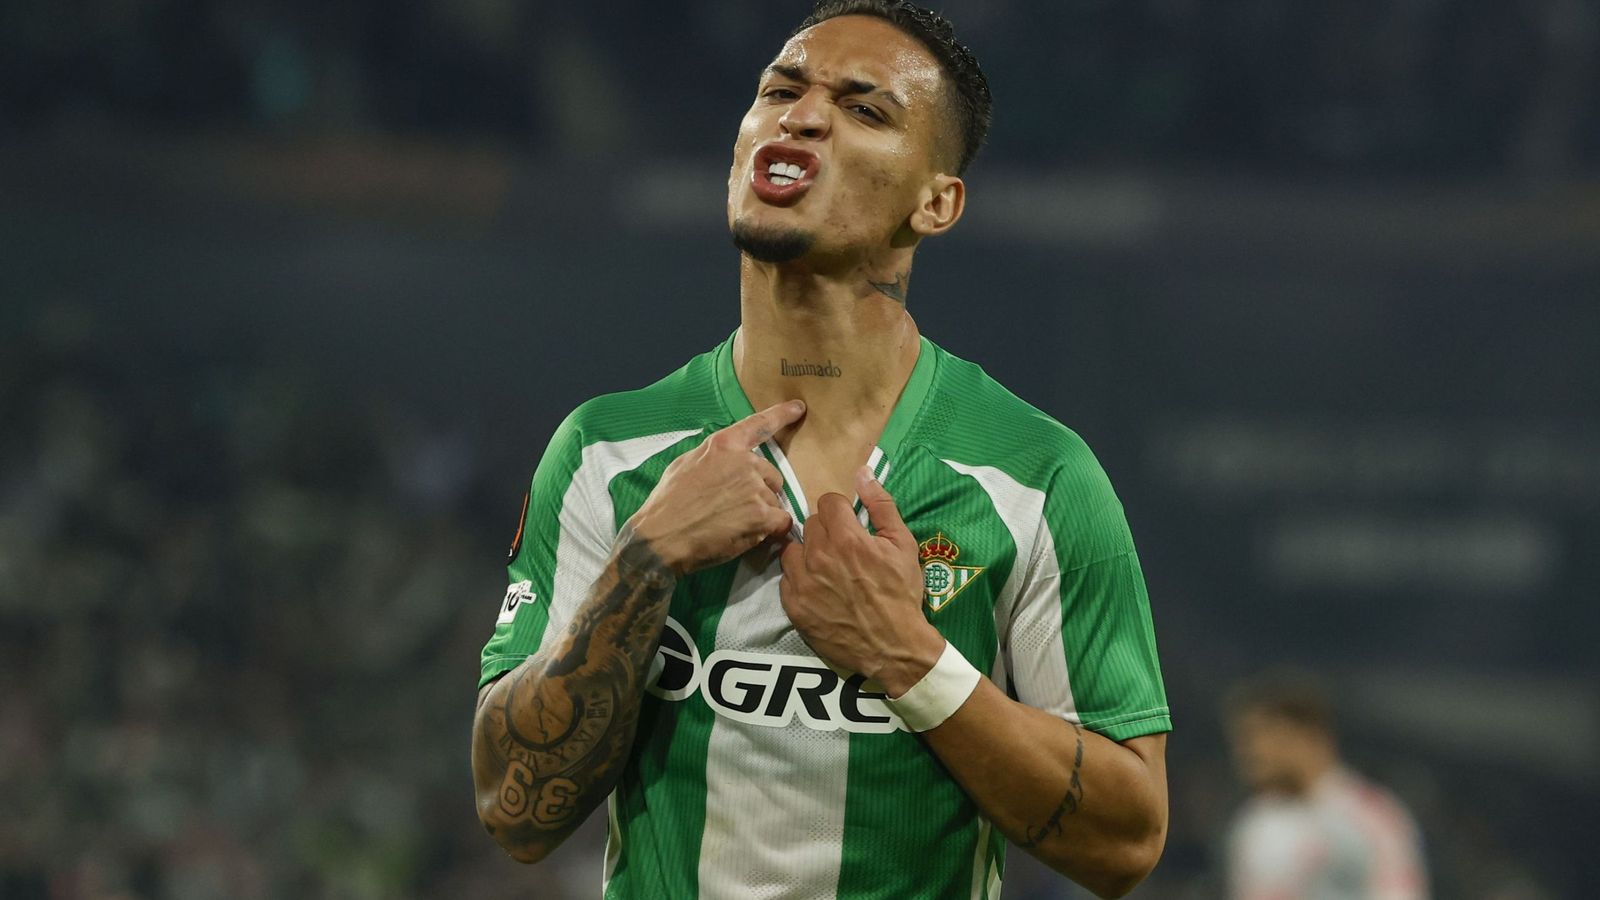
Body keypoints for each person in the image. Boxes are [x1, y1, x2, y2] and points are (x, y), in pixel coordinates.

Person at [470, 2, 1171, 896]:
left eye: (865, 109)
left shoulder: (1036, 476)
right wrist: (642, 563)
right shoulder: (606, 451)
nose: (802, 115)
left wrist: (905, 657)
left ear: (937, 201)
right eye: (780, 89)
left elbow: (1125, 842)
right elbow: (513, 810)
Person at [1224, 670, 1429, 900]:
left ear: (1308, 735)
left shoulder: (1370, 816)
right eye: (1242, 739)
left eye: (1259, 736)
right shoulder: (1254, 824)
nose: (1247, 751)